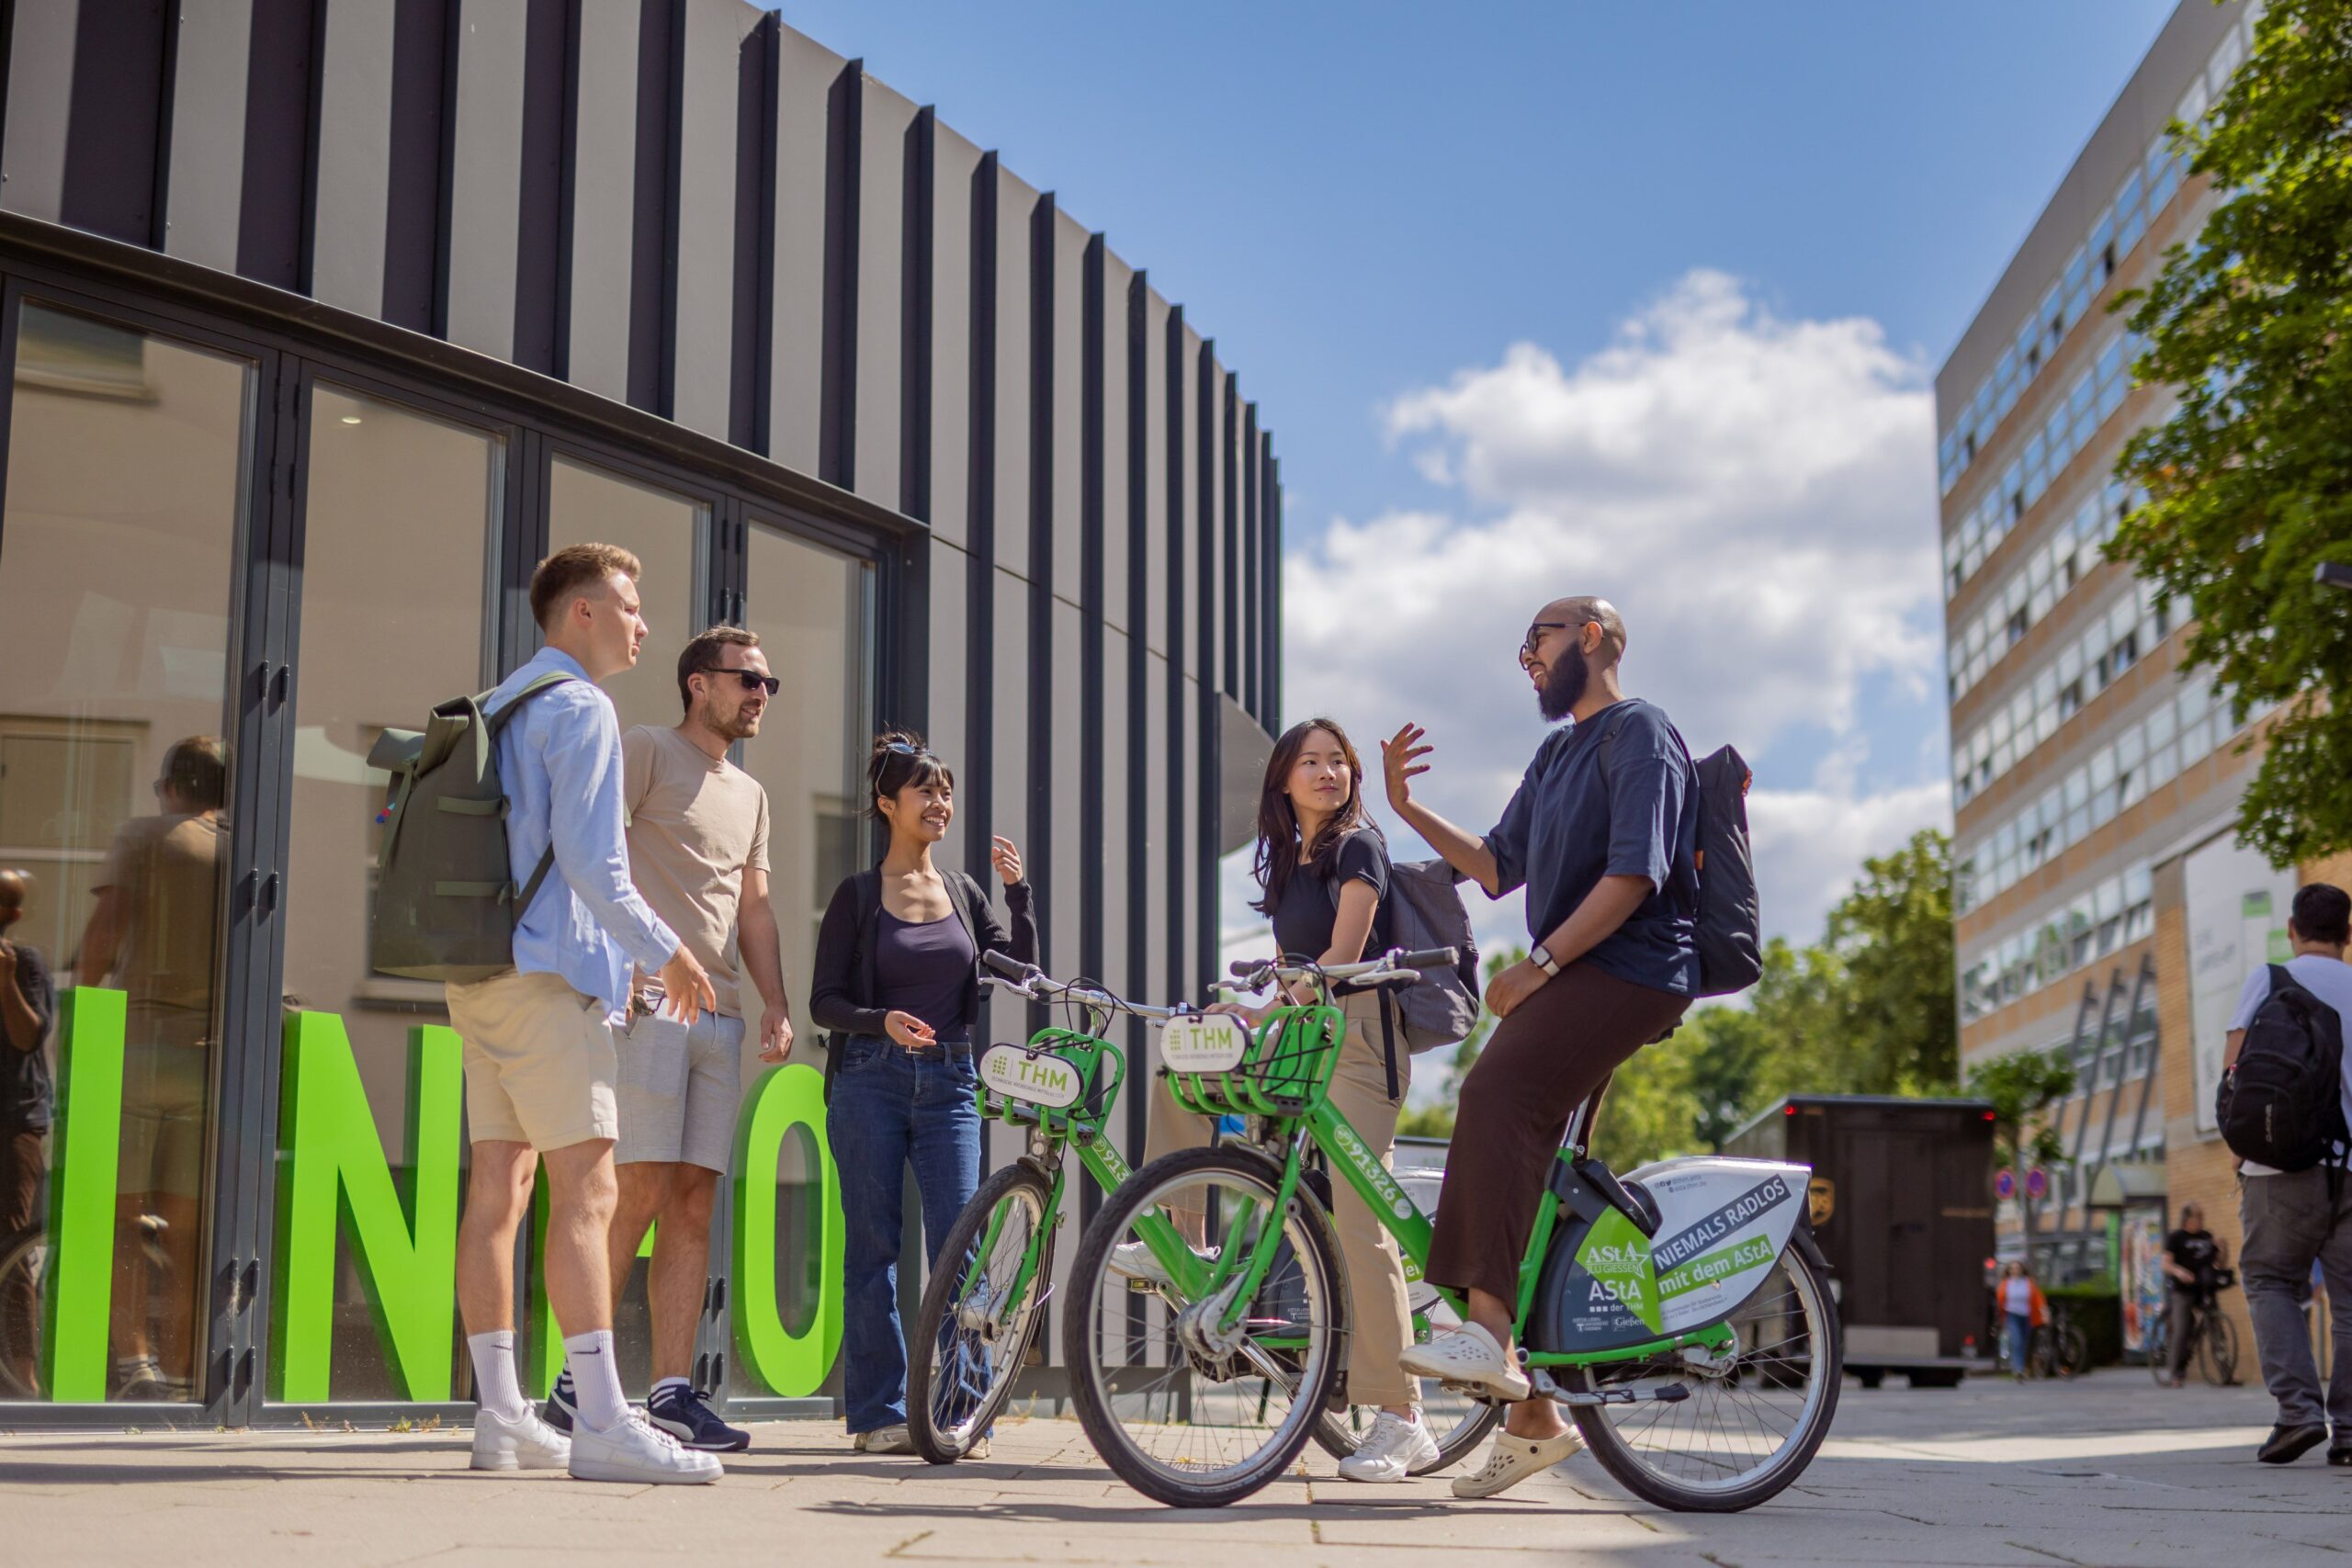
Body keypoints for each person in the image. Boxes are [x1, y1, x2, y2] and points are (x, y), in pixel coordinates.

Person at [1379, 595, 1698, 1501]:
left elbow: (1635, 875)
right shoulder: (1557, 751)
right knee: (1533, 1158)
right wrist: (1406, 805)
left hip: (1631, 965)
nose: (1527, 659)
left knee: (1495, 1097)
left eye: (1539, 640)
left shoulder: (1638, 732)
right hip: (1580, 970)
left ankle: (1486, 1336)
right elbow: (1492, 866)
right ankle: (1534, 1418)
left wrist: (1542, 961)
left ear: (1589, 638)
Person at [446, 542, 720, 1483]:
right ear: (580, 615)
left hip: (480, 978)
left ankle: (500, 1415)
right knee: (590, 1193)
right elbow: (595, 868)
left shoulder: (497, 704)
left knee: (497, 1193)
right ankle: (602, 1419)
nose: (644, 625)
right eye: (629, 606)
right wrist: (666, 952)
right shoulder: (581, 709)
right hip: (547, 988)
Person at [541, 626, 796, 1454]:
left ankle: (672, 1393)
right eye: (748, 680)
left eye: (768, 684)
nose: (761, 694)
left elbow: (752, 907)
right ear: (698, 683)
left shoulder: (752, 796)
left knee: (693, 1203)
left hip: (720, 1018)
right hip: (652, 1005)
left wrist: (775, 1002)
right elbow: (593, 858)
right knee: (638, 1190)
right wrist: (622, 970)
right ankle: (581, 1383)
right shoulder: (645, 749)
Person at [1185, 719, 1430, 1483]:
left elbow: (1345, 955)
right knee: (1190, 1065)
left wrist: (1264, 1007)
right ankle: (1183, 1240)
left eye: (1338, 761)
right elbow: (1295, 966)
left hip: (1358, 1039)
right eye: (1311, 762)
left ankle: (1405, 1418)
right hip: (1304, 1029)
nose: (1328, 773)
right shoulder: (1289, 862)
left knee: (1361, 1222)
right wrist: (1243, 1009)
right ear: (1284, 781)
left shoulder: (1360, 845)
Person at [810, 733, 1033, 1457]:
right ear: (887, 804)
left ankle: (961, 1412)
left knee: (958, 1246)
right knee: (871, 1248)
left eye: (946, 791)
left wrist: (1017, 894)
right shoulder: (856, 895)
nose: (940, 803)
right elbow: (825, 1001)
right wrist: (881, 1020)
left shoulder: (964, 893)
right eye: (925, 792)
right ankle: (877, 1413)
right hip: (867, 1079)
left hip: (950, 1082)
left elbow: (1021, 970)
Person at [79, 737, 225, 1401]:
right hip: (206, 1055)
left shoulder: (143, 835)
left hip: (138, 1044)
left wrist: (79, 1011)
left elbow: (105, 933)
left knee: (123, 1220)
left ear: (170, 786)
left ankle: (136, 1363)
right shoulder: (236, 847)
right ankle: (187, 1366)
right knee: (188, 1230)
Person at [2225, 882, 2352, 1466]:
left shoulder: (2271, 978)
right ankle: (2350, 1430)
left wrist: (2239, 1147)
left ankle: (2298, 1414)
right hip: (2351, 1168)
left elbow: (2236, 1070)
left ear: (2293, 929)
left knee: (2271, 1280)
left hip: (2279, 1168)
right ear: (2348, 935)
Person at [0, 870, 56, 1395]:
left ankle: (25, 1381)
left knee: (12, 1247)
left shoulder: (27, 964)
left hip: (15, 1123)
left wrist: (6, 981)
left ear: (11, 915)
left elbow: (29, 1038)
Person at [2157, 1202, 2223, 1387]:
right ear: (2187, 1218)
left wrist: (2221, 1248)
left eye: (2202, 1216)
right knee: (2183, 1329)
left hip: (2204, 1288)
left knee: (2217, 1327)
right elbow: (2166, 1264)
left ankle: (2225, 1372)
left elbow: (2219, 1263)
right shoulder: (2176, 1237)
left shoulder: (2207, 1236)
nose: (2201, 1220)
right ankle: (2176, 1374)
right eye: (2197, 1216)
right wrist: (2180, 1273)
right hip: (2183, 1289)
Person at [1997, 1261, 2045, 1381]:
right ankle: (2018, 1369)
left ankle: (2023, 1368)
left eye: (2017, 1268)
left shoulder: (2028, 1283)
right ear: (2009, 1271)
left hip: (2026, 1316)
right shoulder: (2005, 1284)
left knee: (2024, 1343)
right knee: (2016, 1341)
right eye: (2013, 1268)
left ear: (2022, 1270)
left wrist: (2044, 1312)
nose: (2015, 1271)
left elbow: (2038, 1299)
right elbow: (1999, 1301)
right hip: (2012, 1315)